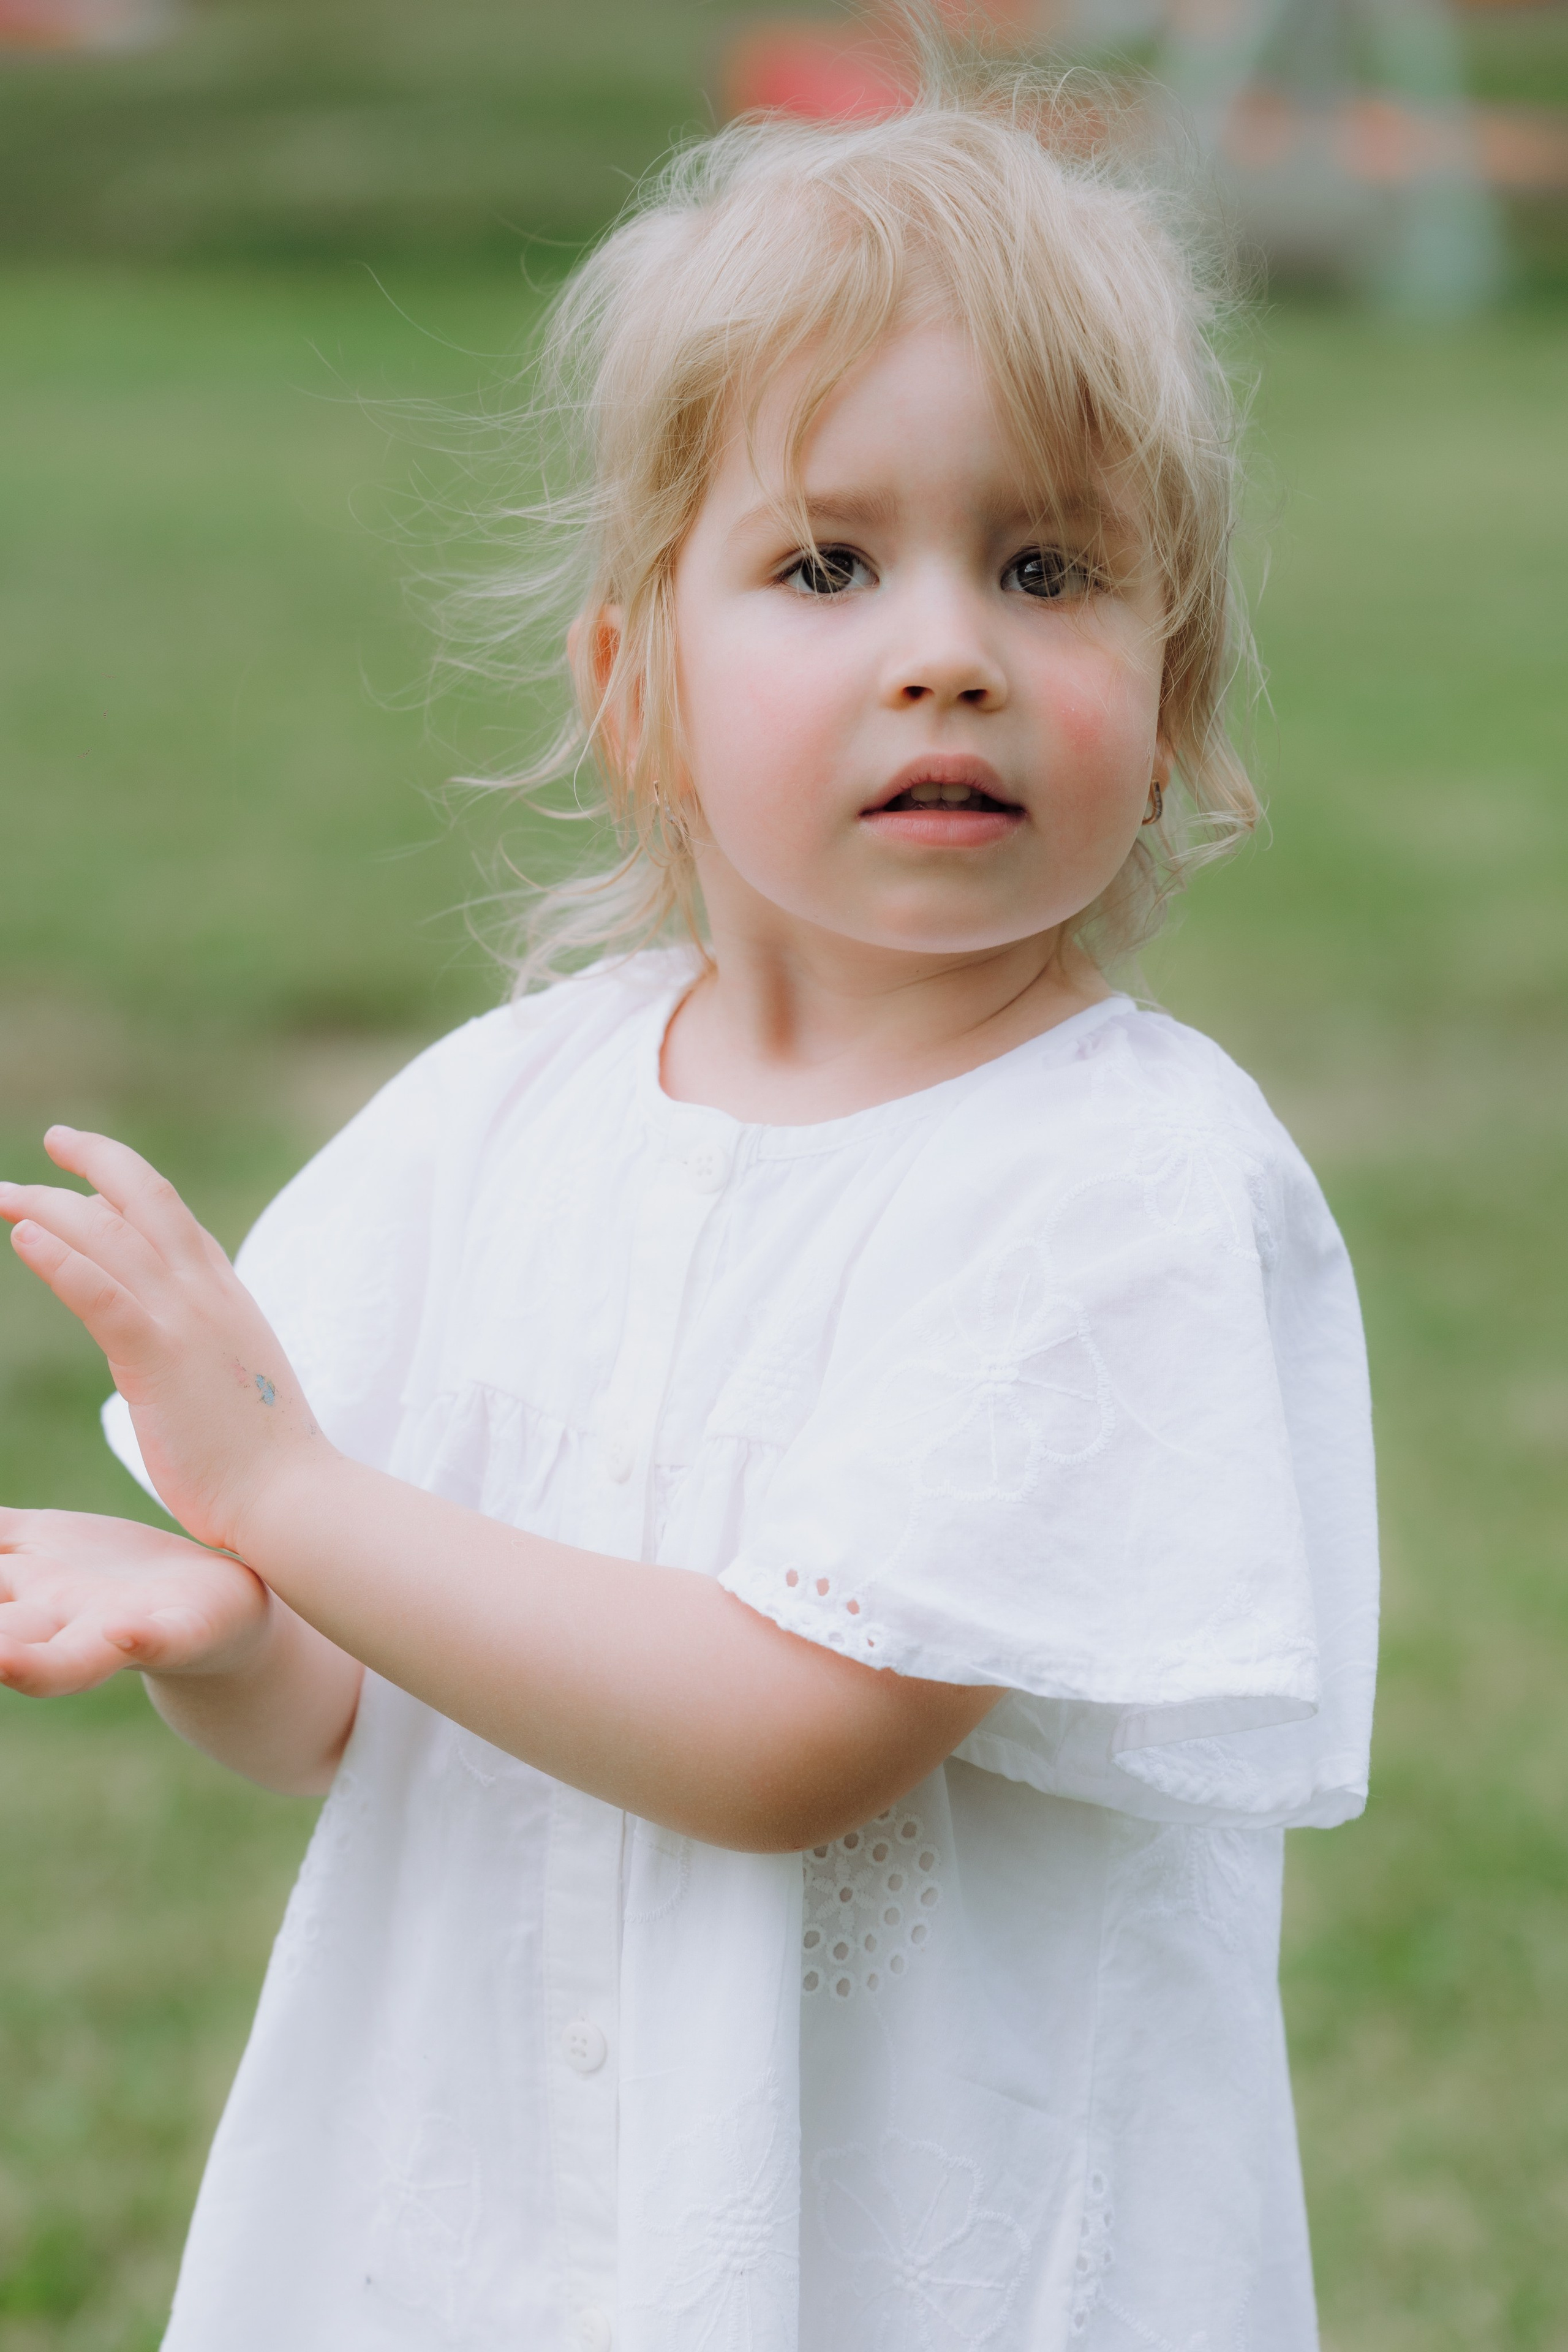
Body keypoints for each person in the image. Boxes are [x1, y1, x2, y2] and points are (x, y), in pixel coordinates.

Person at [0, 49, 1378, 2352]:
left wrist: (284, 1496)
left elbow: (783, 1738)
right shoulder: (505, 1114)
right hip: (478, 2231)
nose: (944, 641)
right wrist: (239, 1625)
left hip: (903, 2250)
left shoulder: (1122, 1185)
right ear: (637, 686)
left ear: (1170, 685)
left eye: (1046, 567)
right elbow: (350, 1703)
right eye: (826, 563)